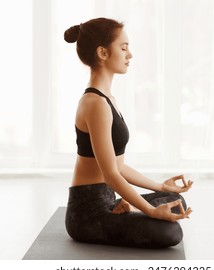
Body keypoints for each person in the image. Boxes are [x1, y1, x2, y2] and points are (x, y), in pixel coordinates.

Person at [63, 17, 193, 248]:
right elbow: (112, 174)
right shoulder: (95, 104)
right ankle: (128, 208)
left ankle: (127, 207)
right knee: (171, 234)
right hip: (87, 214)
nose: (130, 54)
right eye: (123, 48)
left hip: (108, 200)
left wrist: (161, 187)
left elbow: (119, 166)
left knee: (175, 198)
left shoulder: (107, 99)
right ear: (103, 53)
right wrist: (151, 211)